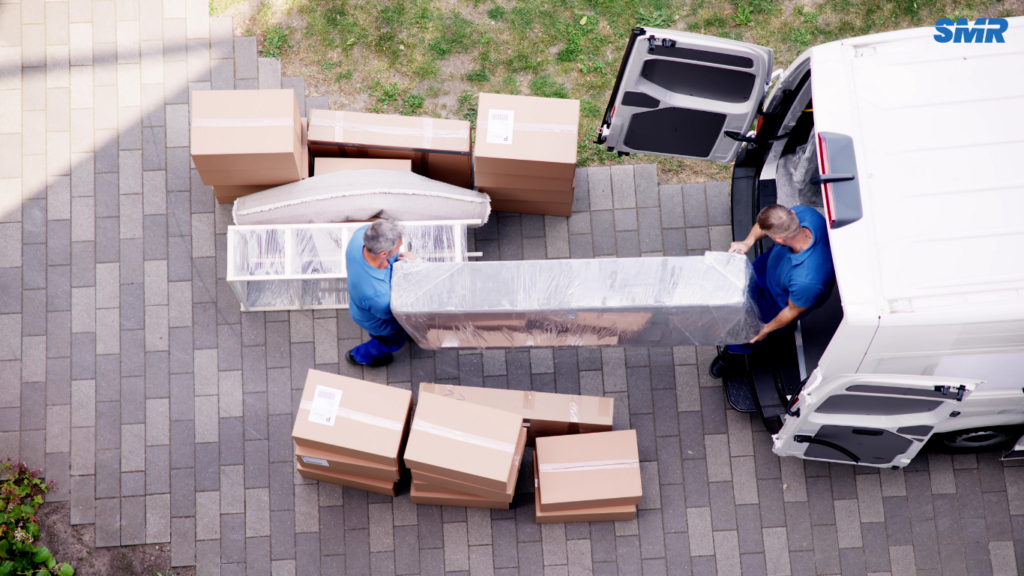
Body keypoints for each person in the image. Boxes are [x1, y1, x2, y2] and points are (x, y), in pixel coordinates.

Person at [709, 204, 836, 378]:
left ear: (779, 241)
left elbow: (792, 311)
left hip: (777, 303)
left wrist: (766, 329)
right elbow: (764, 225)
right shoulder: (805, 213)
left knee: (749, 331)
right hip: (767, 269)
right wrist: (748, 241)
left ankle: (734, 352)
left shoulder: (808, 280)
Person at [344, 220, 415, 368]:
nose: (401, 248)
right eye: (399, 247)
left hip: (361, 305)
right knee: (391, 342)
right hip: (380, 323)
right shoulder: (379, 297)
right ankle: (360, 356)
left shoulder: (362, 235)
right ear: (383, 253)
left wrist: (400, 257)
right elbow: (394, 312)